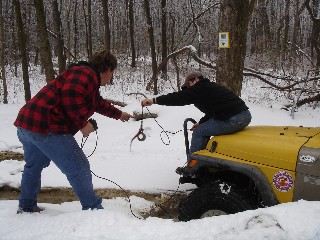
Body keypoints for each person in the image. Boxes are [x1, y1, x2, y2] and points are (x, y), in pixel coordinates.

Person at [14, 50, 133, 213]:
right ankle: (93, 209)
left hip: (27, 123)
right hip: (47, 126)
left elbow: (96, 102)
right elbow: (70, 95)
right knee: (78, 166)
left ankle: (26, 206)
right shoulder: (86, 74)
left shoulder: (83, 75)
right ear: (108, 70)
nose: (110, 78)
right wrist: (83, 124)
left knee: (33, 166)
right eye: (111, 74)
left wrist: (119, 114)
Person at [141, 72, 251, 156]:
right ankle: (204, 159)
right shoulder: (208, 88)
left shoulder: (201, 88)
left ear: (197, 79)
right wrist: (201, 122)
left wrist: (154, 100)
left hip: (234, 118)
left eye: (190, 82)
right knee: (201, 128)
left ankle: (193, 165)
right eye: (188, 85)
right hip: (243, 115)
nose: (189, 86)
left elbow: (179, 98)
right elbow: (214, 111)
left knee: (199, 132)